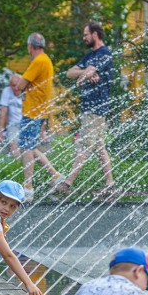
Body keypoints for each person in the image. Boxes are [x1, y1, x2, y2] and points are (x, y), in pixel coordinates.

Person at [55, 22, 115, 195]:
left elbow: (84, 75)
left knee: (84, 145)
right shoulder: (90, 56)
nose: (84, 38)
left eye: (86, 35)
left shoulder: (104, 53)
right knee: (99, 147)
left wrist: (84, 75)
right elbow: (69, 73)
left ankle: (67, 183)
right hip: (88, 107)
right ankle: (110, 185)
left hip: (96, 107)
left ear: (95, 34)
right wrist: (85, 73)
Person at [12, 33, 63, 203]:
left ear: (30, 46)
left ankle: (28, 188)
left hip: (33, 111)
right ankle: (55, 175)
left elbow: (20, 85)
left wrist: (20, 85)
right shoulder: (47, 60)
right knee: (30, 147)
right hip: (39, 111)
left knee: (26, 148)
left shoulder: (38, 61)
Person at [0, 74, 23, 159]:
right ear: (9, 85)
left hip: (26, 122)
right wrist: (0, 131)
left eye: (17, 85)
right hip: (13, 124)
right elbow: (2, 113)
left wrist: (42, 132)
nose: (15, 88)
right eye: (13, 85)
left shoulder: (28, 91)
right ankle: (18, 164)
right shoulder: (7, 91)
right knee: (13, 141)